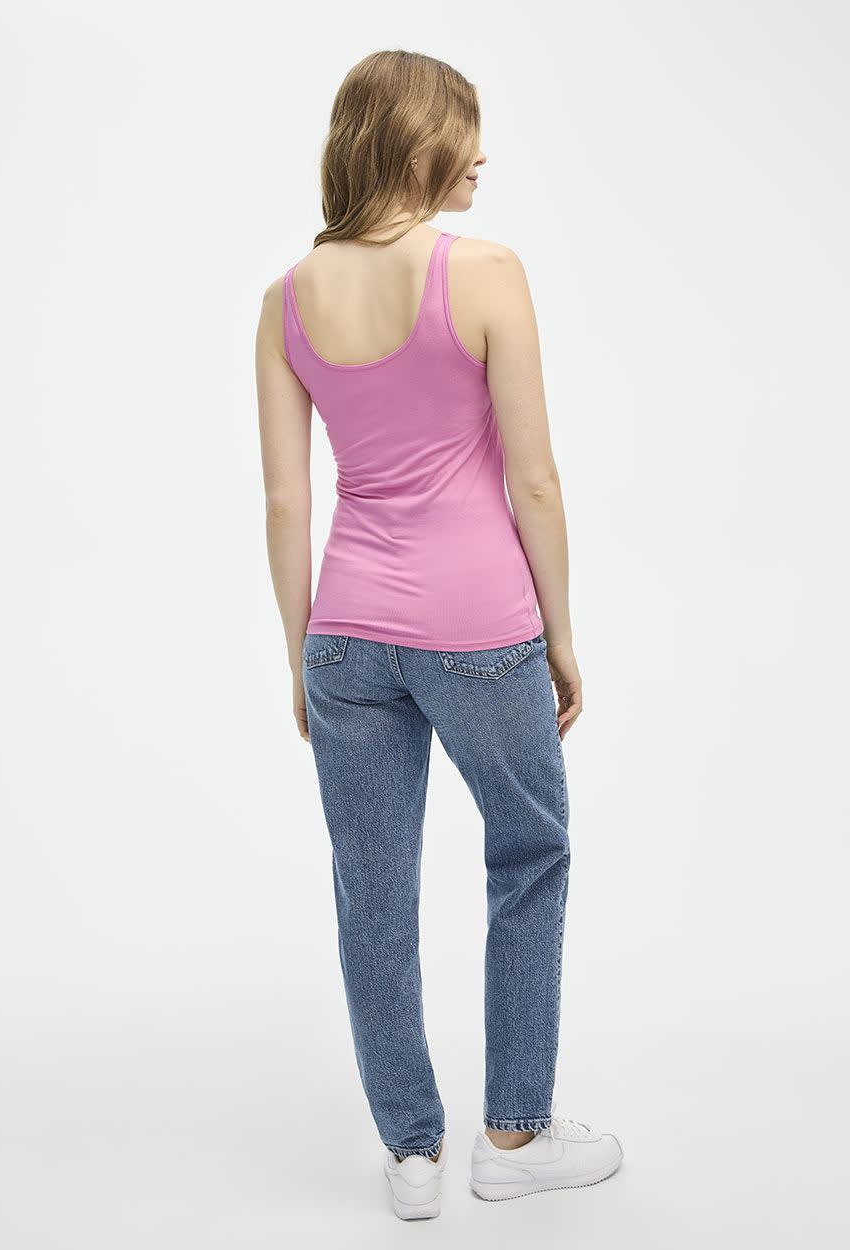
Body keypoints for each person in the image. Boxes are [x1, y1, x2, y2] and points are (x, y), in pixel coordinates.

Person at [255, 49, 622, 1219]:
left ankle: (411, 1153)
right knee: (530, 851)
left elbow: (286, 502)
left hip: (346, 634)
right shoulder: (486, 271)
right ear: (418, 146)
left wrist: (301, 653)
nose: (481, 156)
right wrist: (561, 631)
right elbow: (536, 480)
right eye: (466, 134)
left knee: (372, 891)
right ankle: (512, 1135)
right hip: (479, 627)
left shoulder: (285, 299)